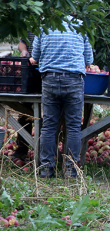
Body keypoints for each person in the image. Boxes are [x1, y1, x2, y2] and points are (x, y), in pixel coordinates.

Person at [29, 17, 93, 178]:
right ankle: (70, 171)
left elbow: (34, 57)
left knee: (49, 125)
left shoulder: (44, 25)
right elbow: (89, 60)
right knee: (73, 127)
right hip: (74, 80)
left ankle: (45, 169)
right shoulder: (80, 25)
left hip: (49, 79)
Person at [10, 31, 36, 162]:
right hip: (31, 72)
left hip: (48, 71)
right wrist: (24, 50)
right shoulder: (34, 21)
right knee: (24, 112)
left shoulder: (55, 23)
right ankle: (22, 149)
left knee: (51, 116)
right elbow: (22, 42)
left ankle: (48, 150)